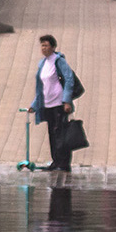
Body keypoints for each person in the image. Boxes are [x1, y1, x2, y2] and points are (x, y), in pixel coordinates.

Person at [30, 34, 84, 172]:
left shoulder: (58, 61)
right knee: (52, 134)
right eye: (42, 45)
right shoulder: (43, 63)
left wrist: (66, 101)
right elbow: (40, 87)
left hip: (59, 104)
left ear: (53, 47)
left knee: (61, 134)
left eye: (46, 45)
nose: (43, 48)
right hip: (47, 104)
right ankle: (55, 161)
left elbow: (69, 79)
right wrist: (35, 105)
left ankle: (64, 163)